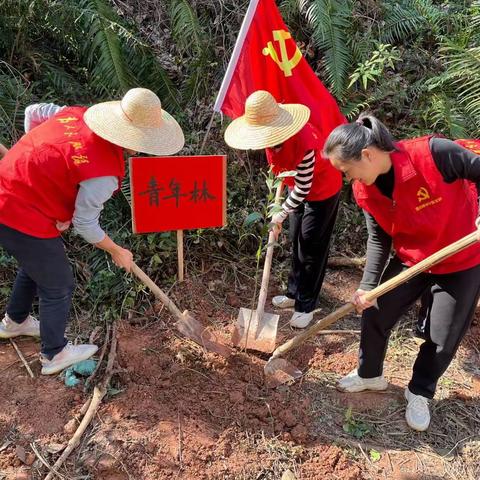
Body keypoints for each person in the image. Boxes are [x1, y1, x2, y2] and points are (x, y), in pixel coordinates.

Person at [0, 88, 184, 375]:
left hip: (9, 190)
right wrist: (116, 250)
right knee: (58, 284)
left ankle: (16, 322)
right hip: (18, 212)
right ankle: (53, 354)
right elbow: (86, 224)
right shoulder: (104, 173)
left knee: (37, 264)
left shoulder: (74, 114)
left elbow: (33, 111)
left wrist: (32, 167)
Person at [323, 114, 480, 431]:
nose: (345, 177)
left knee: (442, 338)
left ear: (367, 155)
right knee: (376, 310)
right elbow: (379, 238)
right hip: (413, 258)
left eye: (345, 169)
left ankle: (420, 391)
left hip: (461, 258)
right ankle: (370, 375)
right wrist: (368, 287)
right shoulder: (364, 190)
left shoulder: (434, 153)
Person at [224, 90, 342, 328]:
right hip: (294, 189)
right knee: (295, 240)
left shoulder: (306, 142)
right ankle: (293, 293)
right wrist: (278, 209)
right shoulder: (269, 138)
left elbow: (304, 187)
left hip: (321, 190)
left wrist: (281, 213)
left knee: (311, 246)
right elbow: (281, 176)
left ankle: (306, 305)